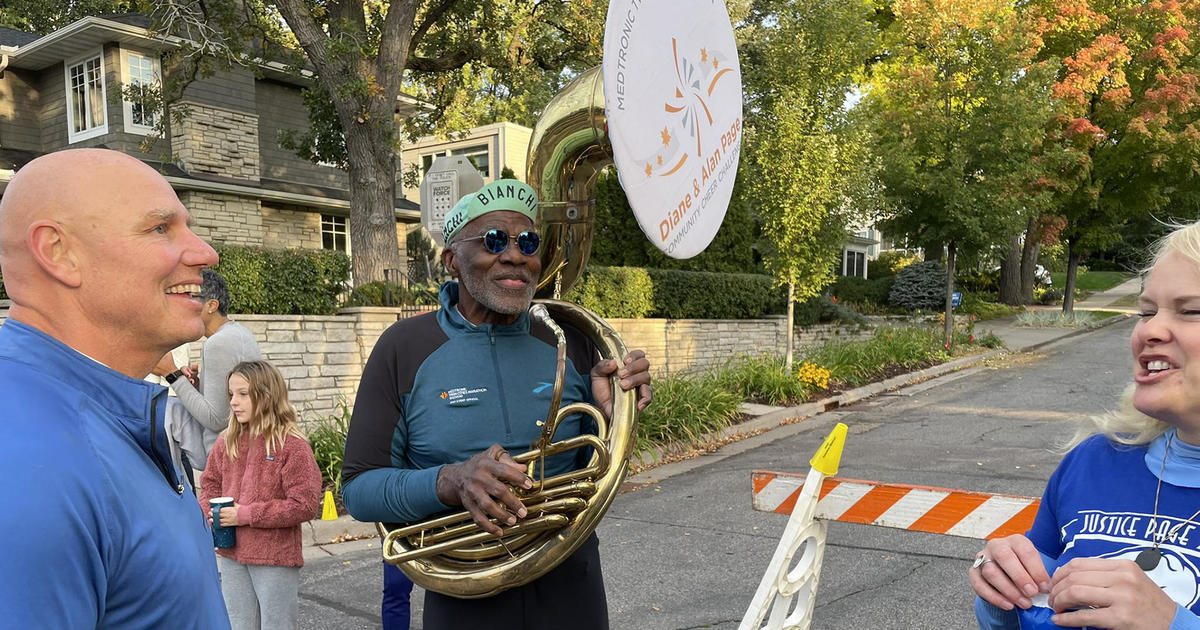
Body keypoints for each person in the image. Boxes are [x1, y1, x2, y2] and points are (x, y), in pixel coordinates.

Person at [341, 178, 653, 630]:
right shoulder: (403, 348)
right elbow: (358, 488)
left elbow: (595, 467)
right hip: (465, 599)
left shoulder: (571, 339)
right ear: (451, 260)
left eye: (528, 241)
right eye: (493, 240)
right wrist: (449, 481)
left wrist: (611, 415)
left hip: (573, 588)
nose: (515, 255)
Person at [0, 148, 230, 627]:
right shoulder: (27, 461)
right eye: (160, 228)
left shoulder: (87, 415)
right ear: (59, 253)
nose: (205, 253)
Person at [969, 221, 1200, 630]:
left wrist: (1173, 624)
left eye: (1191, 311)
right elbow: (1036, 612)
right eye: (1145, 312)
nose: (1149, 330)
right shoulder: (1093, 461)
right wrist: (1002, 592)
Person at [199, 360, 322, 630]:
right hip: (231, 553)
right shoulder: (226, 441)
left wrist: (245, 514)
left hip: (274, 557)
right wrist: (210, 510)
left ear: (266, 396)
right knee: (238, 625)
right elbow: (209, 483)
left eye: (243, 394)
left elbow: (304, 505)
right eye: (231, 394)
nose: (234, 401)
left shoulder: (292, 446)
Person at [154, 268, 263, 465]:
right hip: (241, 455)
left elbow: (215, 420)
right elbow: (224, 404)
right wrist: (195, 386)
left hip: (228, 462)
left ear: (212, 305)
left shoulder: (220, 342)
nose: (184, 305)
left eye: (191, 297)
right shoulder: (236, 334)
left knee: (167, 411)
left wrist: (170, 373)